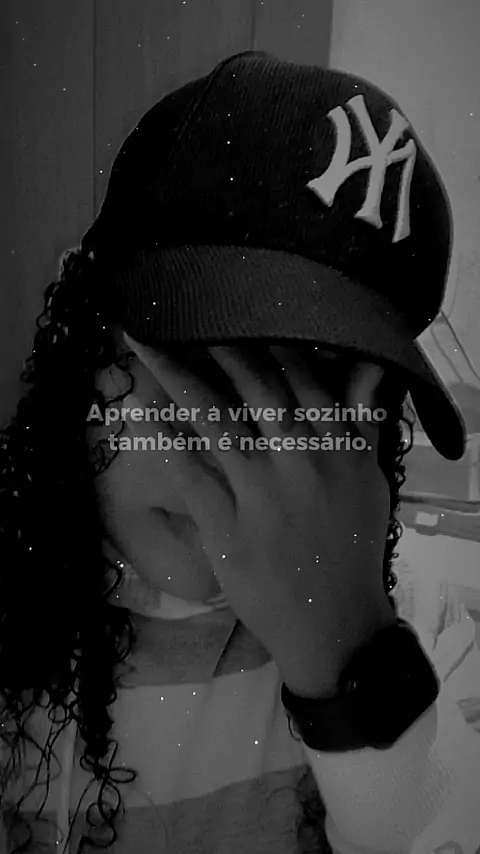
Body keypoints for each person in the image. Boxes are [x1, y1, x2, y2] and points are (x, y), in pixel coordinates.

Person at [1, 50, 480, 854]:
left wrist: (349, 657)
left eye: (324, 390)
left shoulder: (420, 622)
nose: (251, 455)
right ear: (87, 335)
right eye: (200, 358)